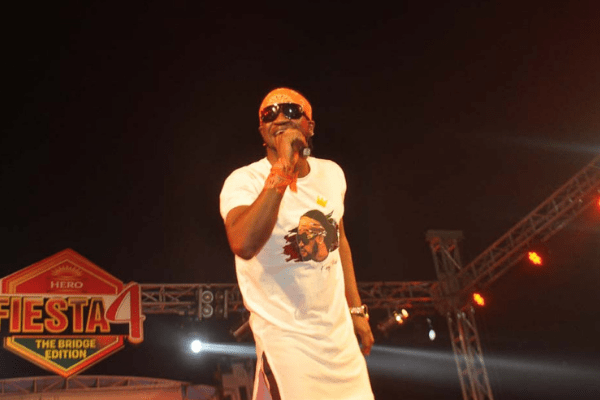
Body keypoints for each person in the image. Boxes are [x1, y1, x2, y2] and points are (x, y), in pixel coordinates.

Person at [220, 88, 374, 400]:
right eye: (269, 114)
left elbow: (340, 240)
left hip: (338, 339)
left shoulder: (331, 173)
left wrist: (356, 309)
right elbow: (243, 243)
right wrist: (282, 168)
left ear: (310, 126)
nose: (279, 118)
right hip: (285, 340)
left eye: (291, 111)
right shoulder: (244, 181)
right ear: (262, 130)